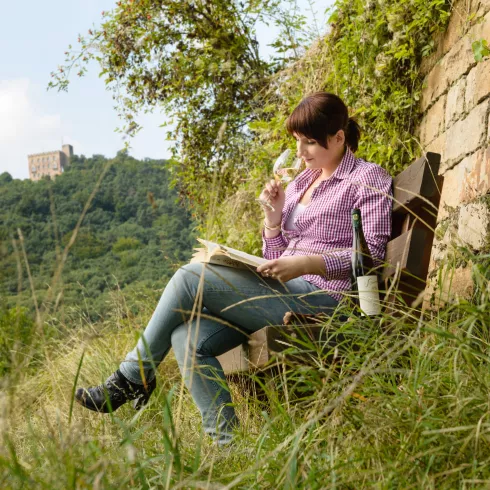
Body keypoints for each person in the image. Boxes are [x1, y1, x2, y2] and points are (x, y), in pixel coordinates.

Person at [75, 92, 393, 445]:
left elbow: (372, 255)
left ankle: (130, 378)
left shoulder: (366, 178)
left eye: (310, 143)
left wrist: (307, 263)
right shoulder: (303, 182)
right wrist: (273, 221)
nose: (301, 153)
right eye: (297, 142)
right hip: (285, 294)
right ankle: (226, 445)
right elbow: (276, 254)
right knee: (187, 337)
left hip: (324, 302)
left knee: (189, 276)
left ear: (338, 137)